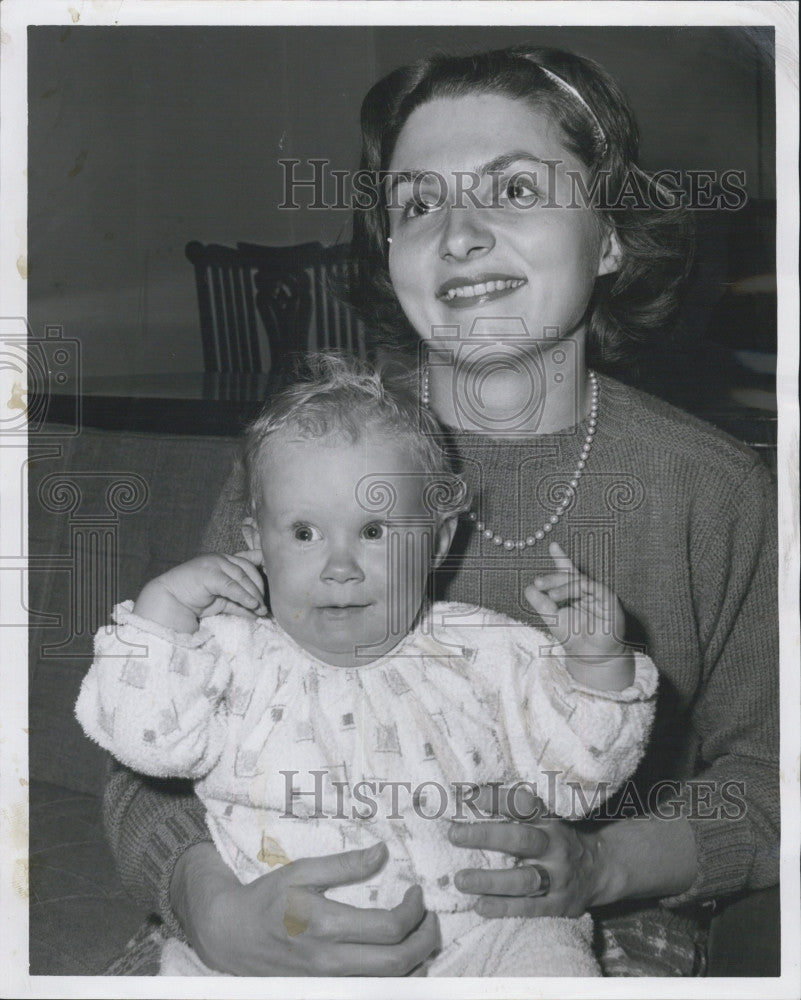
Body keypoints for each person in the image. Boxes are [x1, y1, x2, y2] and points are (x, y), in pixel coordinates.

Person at [102, 45, 778, 976]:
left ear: (611, 234)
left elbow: (770, 780)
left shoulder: (713, 488)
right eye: (417, 203)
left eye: (512, 191)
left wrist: (601, 864)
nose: (456, 233)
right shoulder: (306, 455)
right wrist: (206, 901)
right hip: (277, 901)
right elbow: (156, 740)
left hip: (590, 920)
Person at [77, 354, 657, 976]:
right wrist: (161, 616)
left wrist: (598, 666)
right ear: (254, 544)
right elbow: (145, 740)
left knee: (549, 961)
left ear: (436, 542)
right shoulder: (229, 656)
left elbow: (577, 778)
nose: (339, 566)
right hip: (279, 946)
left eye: (374, 530)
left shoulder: (485, 650)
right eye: (304, 533)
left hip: (478, 936)